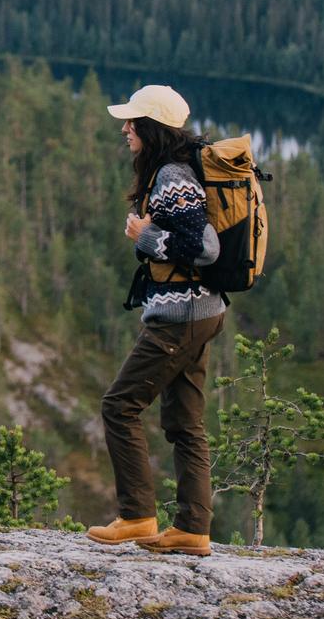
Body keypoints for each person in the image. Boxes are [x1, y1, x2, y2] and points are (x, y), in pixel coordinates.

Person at [88, 83, 225, 555]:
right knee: (185, 421)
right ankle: (191, 528)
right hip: (199, 311)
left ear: (151, 127)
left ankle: (137, 517)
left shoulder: (173, 176)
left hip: (181, 314)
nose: (125, 129)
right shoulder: (175, 170)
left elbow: (204, 248)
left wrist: (145, 235)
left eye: (132, 121)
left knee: (119, 405)